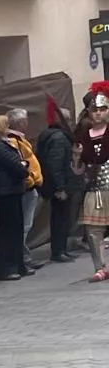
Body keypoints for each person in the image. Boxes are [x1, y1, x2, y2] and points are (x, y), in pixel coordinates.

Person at [0, 114, 32, 285]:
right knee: (8, 230)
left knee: (15, 228)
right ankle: (7, 267)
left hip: (10, 189)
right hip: (6, 191)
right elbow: (15, 165)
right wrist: (23, 166)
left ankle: (17, 264)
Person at [37, 99, 78, 265]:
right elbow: (56, 164)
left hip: (57, 184)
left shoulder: (52, 135)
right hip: (60, 186)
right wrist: (60, 187)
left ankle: (61, 249)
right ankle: (59, 251)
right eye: (68, 120)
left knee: (60, 217)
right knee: (60, 218)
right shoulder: (59, 138)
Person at [77, 82, 109, 283]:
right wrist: (76, 156)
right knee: (93, 231)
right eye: (94, 110)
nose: (98, 114)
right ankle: (100, 267)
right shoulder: (81, 137)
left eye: (102, 109)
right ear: (89, 112)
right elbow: (78, 170)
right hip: (94, 189)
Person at [5, 108, 44, 271]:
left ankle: (24, 256)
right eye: (26, 120)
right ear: (21, 123)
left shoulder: (19, 140)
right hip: (26, 189)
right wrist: (29, 180)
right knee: (24, 226)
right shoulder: (13, 141)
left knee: (25, 225)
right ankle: (21, 258)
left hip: (29, 187)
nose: (27, 123)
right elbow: (20, 164)